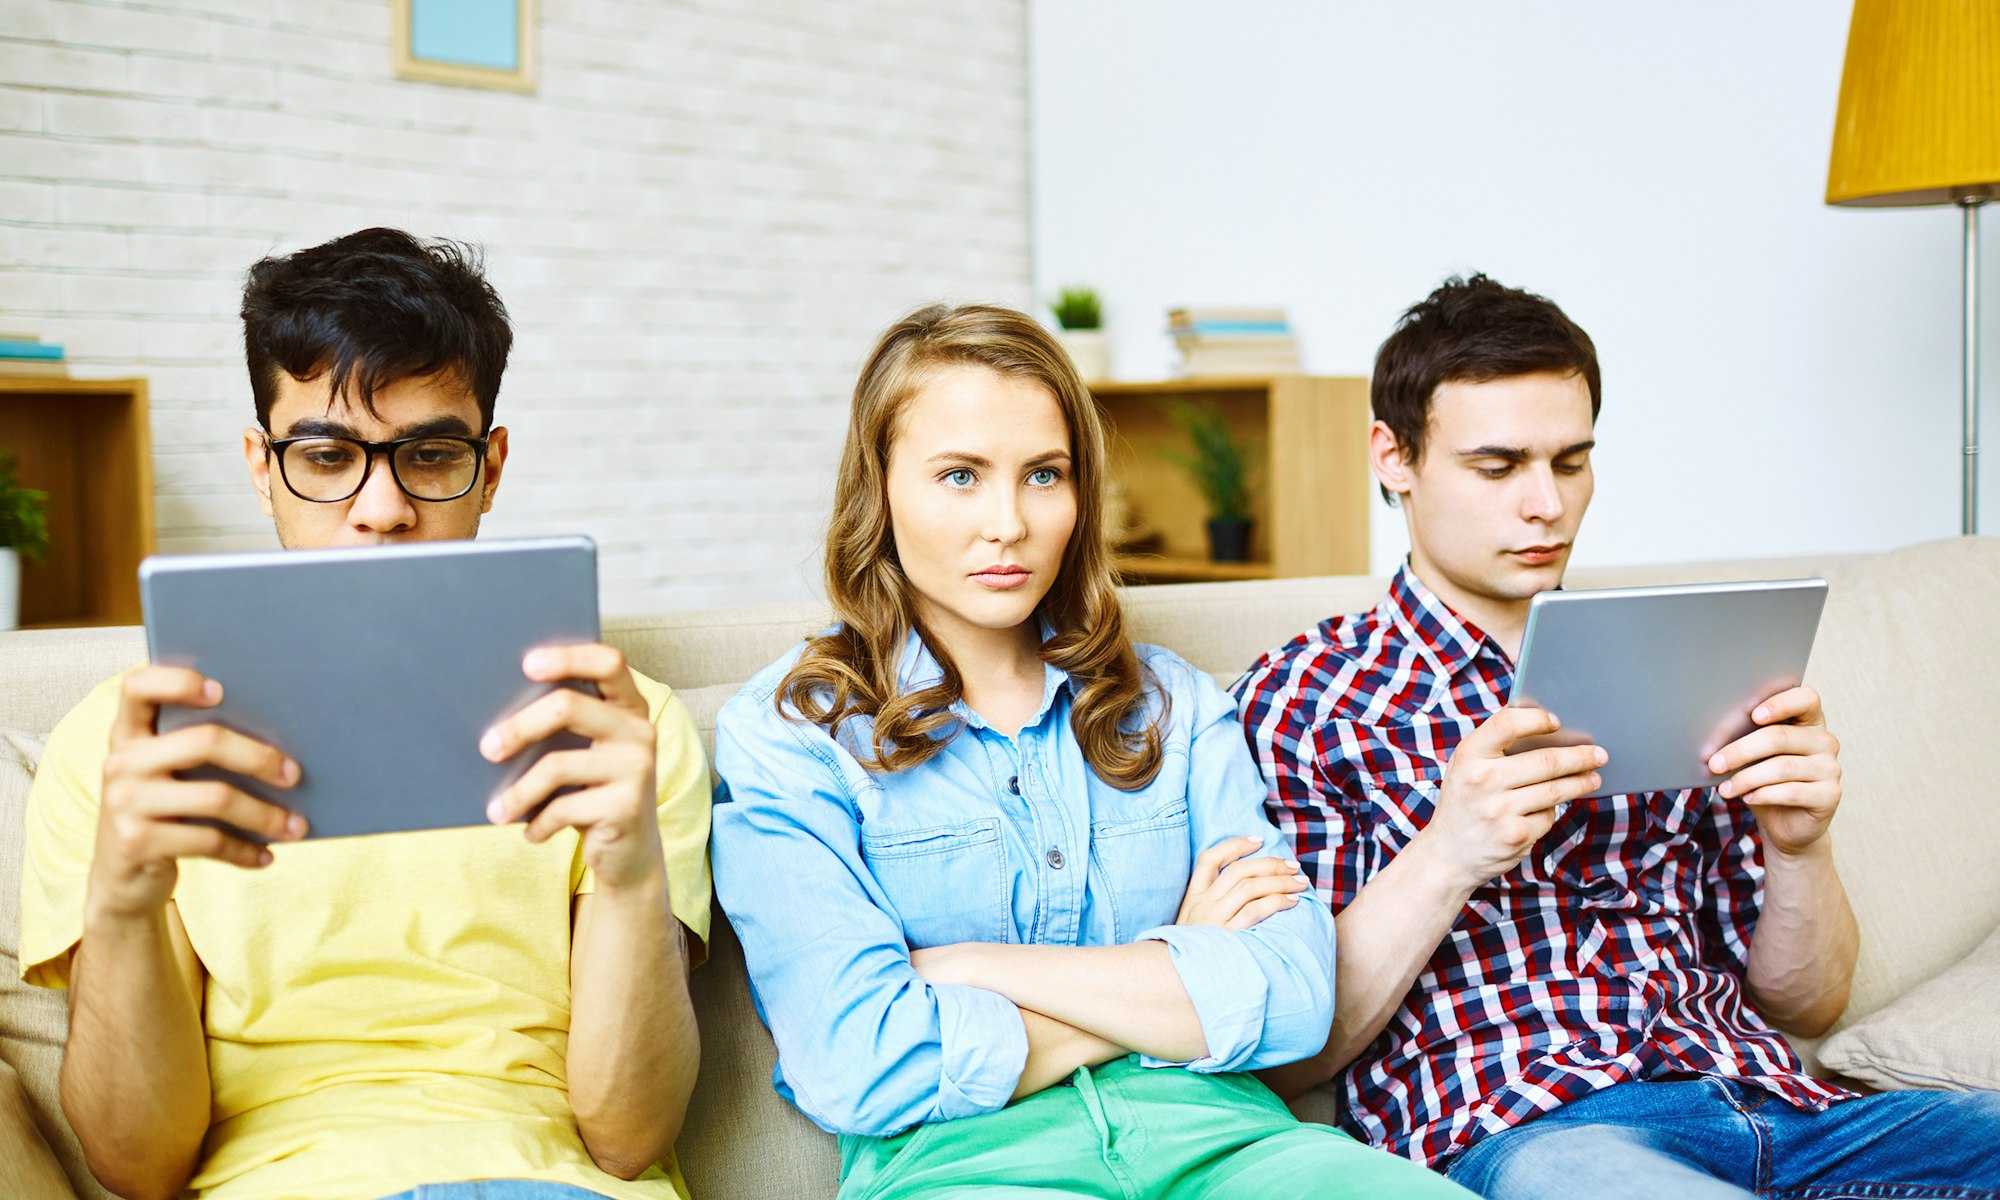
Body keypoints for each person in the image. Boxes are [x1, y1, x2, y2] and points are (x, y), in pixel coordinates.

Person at [1233, 273, 2000, 1197]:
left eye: (1570, 462)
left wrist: (1801, 847)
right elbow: (1291, 1058)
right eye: (1498, 466)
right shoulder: (1303, 702)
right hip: (1539, 1130)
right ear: (1392, 457)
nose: (1546, 506)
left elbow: (1807, 1001)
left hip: (1786, 1110)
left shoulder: (1678, 655)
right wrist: (1449, 853)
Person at [709, 302, 1471, 1199]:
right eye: (959, 476)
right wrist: (1177, 962)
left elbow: (1297, 998)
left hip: (1234, 1146)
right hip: (966, 1169)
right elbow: (861, 1064)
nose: (1008, 523)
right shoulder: (793, 735)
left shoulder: (1175, 706)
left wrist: (973, 969)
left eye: (1043, 475)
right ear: (878, 489)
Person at [18, 228, 712, 1200]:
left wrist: (633, 871)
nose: (380, 506)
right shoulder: (119, 745)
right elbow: (137, 1165)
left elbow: (626, 1137)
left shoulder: (619, 732)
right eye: (328, 453)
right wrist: (126, 899)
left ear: (492, 465)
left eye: (430, 454)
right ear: (263, 467)